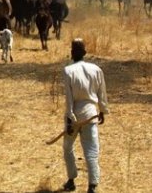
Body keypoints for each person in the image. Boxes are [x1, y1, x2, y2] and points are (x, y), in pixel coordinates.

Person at [61, 38, 109, 193]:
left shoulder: (68, 71)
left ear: (71, 53)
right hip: (91, 114)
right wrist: (102, 110)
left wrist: (70, 120)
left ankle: (71, 180)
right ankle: (92, 186)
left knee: (68, 147)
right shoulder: (96, 69)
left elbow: (69, 99)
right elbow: (102, 93)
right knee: (91, 151)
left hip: (74, 115)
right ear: (85, 53)